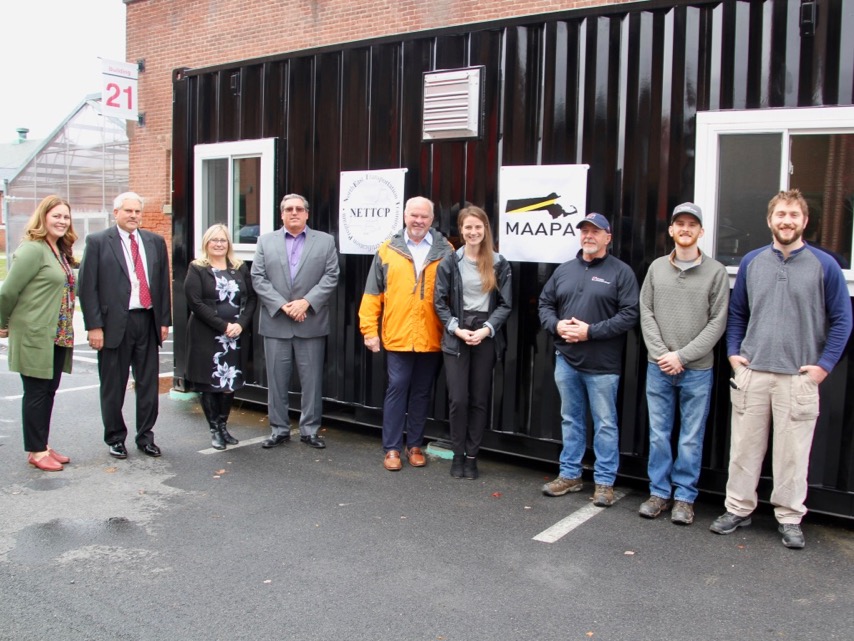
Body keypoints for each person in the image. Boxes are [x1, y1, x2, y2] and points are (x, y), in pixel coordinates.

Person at [710, 189, 852, 549]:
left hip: (798, 378)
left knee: (793, 454)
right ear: (769, 220)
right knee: (744, 448)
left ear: (804, 221)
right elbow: (737, 313)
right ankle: (738, 508)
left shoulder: (826, 265)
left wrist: (822, 368)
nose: (786, 221)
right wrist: (733, 354)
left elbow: (842, 321)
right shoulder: (753, 262)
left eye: (793, 215)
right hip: (753, 373)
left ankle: (789, 517)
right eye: (780, 215)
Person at [538, 212, 639, 506]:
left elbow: (630, 314)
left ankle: (605, 483)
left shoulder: (621, 272)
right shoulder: (564, 270)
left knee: (605, 423)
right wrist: (556, 325)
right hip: (566, 360)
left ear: (609, 237)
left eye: (596, 231)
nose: (589, 236)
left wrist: (590, 332)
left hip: (603, 365)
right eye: (584, 231)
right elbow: (545, 304)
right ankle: (570, 475)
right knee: (571, 419)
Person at [638, 203, 729, 525]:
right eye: (680, 224)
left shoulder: (716, 272)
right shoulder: (657, 268)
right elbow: (645, 312)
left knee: (691, 436)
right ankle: (659, 494)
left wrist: (682, 356)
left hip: (697, 370)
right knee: (659, 435)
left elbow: (718, 322)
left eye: (692, 224)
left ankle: (684, 498)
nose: (686, 229)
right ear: (671, 230)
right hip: (658, 367)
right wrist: (664, 354)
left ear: (701, 231)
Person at [359, 196, 453, 471]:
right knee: (397, 388)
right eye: (413, 215)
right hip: (398, 335)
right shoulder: (388, 250)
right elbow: (372, 294)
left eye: (424, 216)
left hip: (432, 336)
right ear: (404, 216)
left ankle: (414, 445)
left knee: (422, 392)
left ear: (431, 219)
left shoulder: (446, 250)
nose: (418, 221)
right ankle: (391, 448)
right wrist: (369, 330)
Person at [78, 192, 172, 459]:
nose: (133, 216)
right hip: (112, 324)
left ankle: (145, 437)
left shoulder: (154, 241)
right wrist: (94, 326)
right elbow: (87, 287)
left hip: (147, 320)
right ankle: (115, 438)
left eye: (137, 211)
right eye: (128, 211)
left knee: (148, 385)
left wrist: (164, 320)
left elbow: (163, 284)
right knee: (113, 385)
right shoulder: (98, 242)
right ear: (115, 213)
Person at [251, 194, 339, 450]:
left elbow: (332, 275)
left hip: (310, 321)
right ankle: (279, 429)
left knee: (311, 382)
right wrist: (282, 305)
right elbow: (258, 277)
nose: (294, 213)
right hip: (276, 321)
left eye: (299, 209)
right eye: (288, 209)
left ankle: (309, 430)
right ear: (281, 214)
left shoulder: (325, 241)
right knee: (276, 381)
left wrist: (306, 303)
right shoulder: (265, 241)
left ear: (307, 214)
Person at [434, 206, 512, 479]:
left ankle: (472, 456)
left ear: (485, 229)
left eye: (478, 227)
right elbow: (439, 302)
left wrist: (487, 329)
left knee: (479, 399)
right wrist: (456, 329)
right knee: (458, 399)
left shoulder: (499, 262)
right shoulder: (450, 262)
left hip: (485, 336)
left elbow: (505, 305)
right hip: (457, 336)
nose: (473, 232)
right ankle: (457, 454)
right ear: (461, 230)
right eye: (468, 227)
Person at [0, 196, 77, 472]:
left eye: (66, 217)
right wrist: (2, 322)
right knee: (35, 392)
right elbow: (8, 290)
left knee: (48, 391)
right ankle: (35, 450)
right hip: (35, 332)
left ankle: (42, 444)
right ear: (43, 217)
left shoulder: (57, 249)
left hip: (57, 334)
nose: (62, 221)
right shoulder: (32, 249)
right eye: (56, 216)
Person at [184, 224, 257, 450]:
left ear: (228, 244)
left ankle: (224, 427)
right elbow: (195, 302)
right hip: (207, 335)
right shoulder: (197, 268)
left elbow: (252, 299)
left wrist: (240, 325)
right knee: (209, 384)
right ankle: (214, 430)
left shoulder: (239, 267)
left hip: (234, 336)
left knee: (228, 383)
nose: (218, 244)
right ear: (206, 243)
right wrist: (224, 325)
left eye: (223, 240)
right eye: (214, 240)